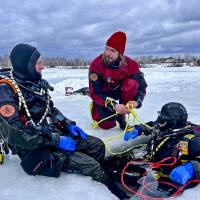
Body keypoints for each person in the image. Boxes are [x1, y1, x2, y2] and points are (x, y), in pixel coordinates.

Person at [0, 44, 129, 200]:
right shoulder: (6, 91)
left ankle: (108, 178)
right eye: (38, 63)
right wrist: (56, 140)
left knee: (97, 146)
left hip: (51, 133)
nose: (42, 67)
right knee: (90, 165)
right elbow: (18, 133)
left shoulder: (34, 83)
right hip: (31, 146)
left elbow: (50, 110)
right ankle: (117, 194)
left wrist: (68, 124)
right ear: (25, 66)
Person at [103, 102, 200, 198]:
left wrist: (192, 168)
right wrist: (138, 129)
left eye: (162, 119)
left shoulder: (192, 140)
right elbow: (151, 125)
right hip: (151, 166)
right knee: (110, 166)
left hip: (170, 178)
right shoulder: (164, 128)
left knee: (149, 194)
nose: (159, 121)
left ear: (172, 122)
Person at [89, 31, 147, 130]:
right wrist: (114, 105)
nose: (108, 53)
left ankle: (121, 116)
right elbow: (95, 92)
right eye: (107, 49)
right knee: (106, 125)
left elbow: (142, 87)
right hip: (104, 94)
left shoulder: (131, 65)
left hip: (121, 92)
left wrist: (137, 102)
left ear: (120, 53)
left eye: (113, 50)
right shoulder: (96, 64)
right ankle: (98, 109)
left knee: (132, 84)